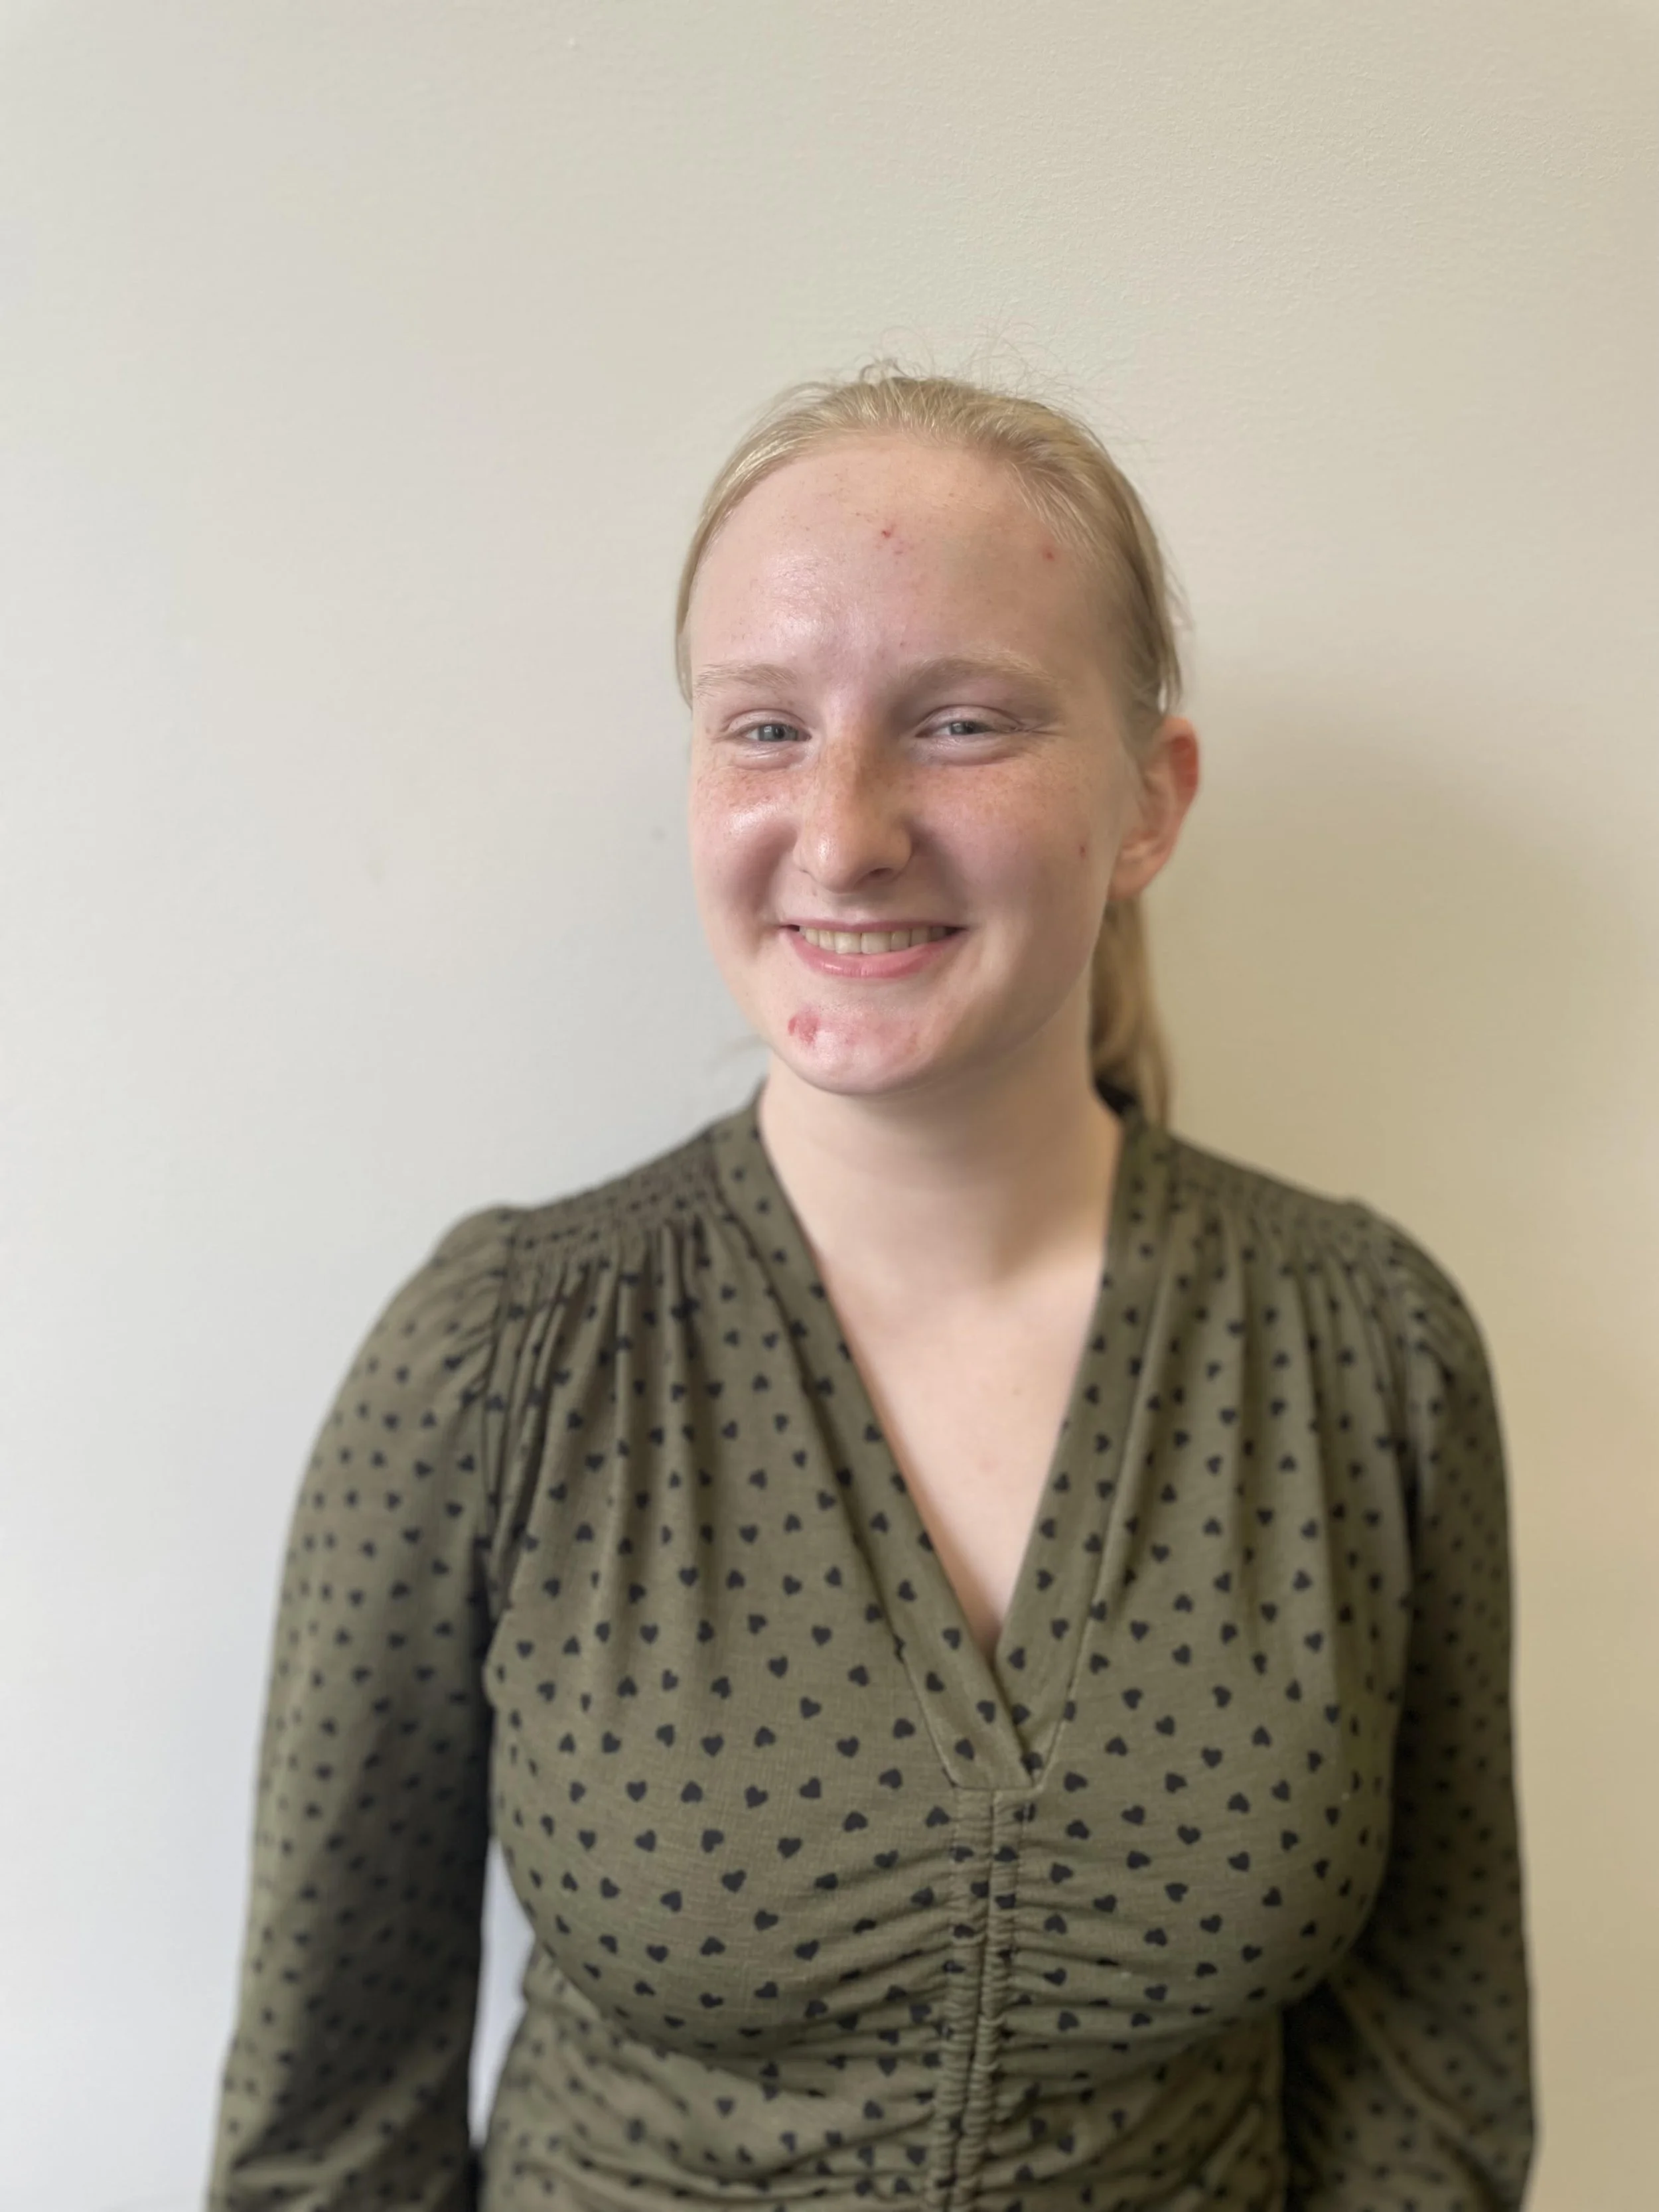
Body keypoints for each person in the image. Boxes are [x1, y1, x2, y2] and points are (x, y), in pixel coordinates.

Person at [205, 363, 1536, 2211]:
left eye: (962, 723)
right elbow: (326, 2136)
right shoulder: (498, 1364)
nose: (840, 831)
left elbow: (1427, 2096)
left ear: (1150, 805)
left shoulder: (1366, 1355)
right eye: (764, 727)